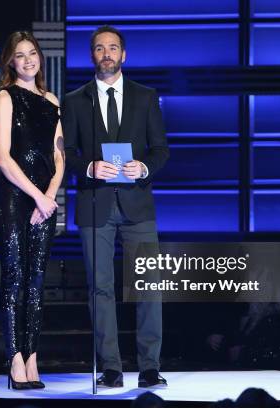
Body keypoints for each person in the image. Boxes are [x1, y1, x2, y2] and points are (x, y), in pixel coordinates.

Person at [63, 25, 170, 388]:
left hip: (138, 205)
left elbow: (160, 149)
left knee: (149, 286)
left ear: (124, 55)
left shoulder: (145, 96)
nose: (106, 54)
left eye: (112, 48)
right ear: (91, 55)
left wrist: (144, 167)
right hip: (96, 204)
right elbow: (68, 154)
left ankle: (150, 366)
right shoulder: (75, 100)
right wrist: (89, 168)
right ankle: (111, 366)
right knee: (101, 288)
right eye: (98, 48)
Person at [0, 31, 64, 390]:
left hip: (43, 202)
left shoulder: (51, 100)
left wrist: (49, 197)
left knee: (36, 282)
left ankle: (33, 357)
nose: (28, 60)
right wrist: (37, 196)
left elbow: (58, 155)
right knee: (15, 277)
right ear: (11, 62)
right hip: (14, 199)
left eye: (32, 53)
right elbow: (2, 158)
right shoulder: (6, 97)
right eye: (20, 55)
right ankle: (14, 361)